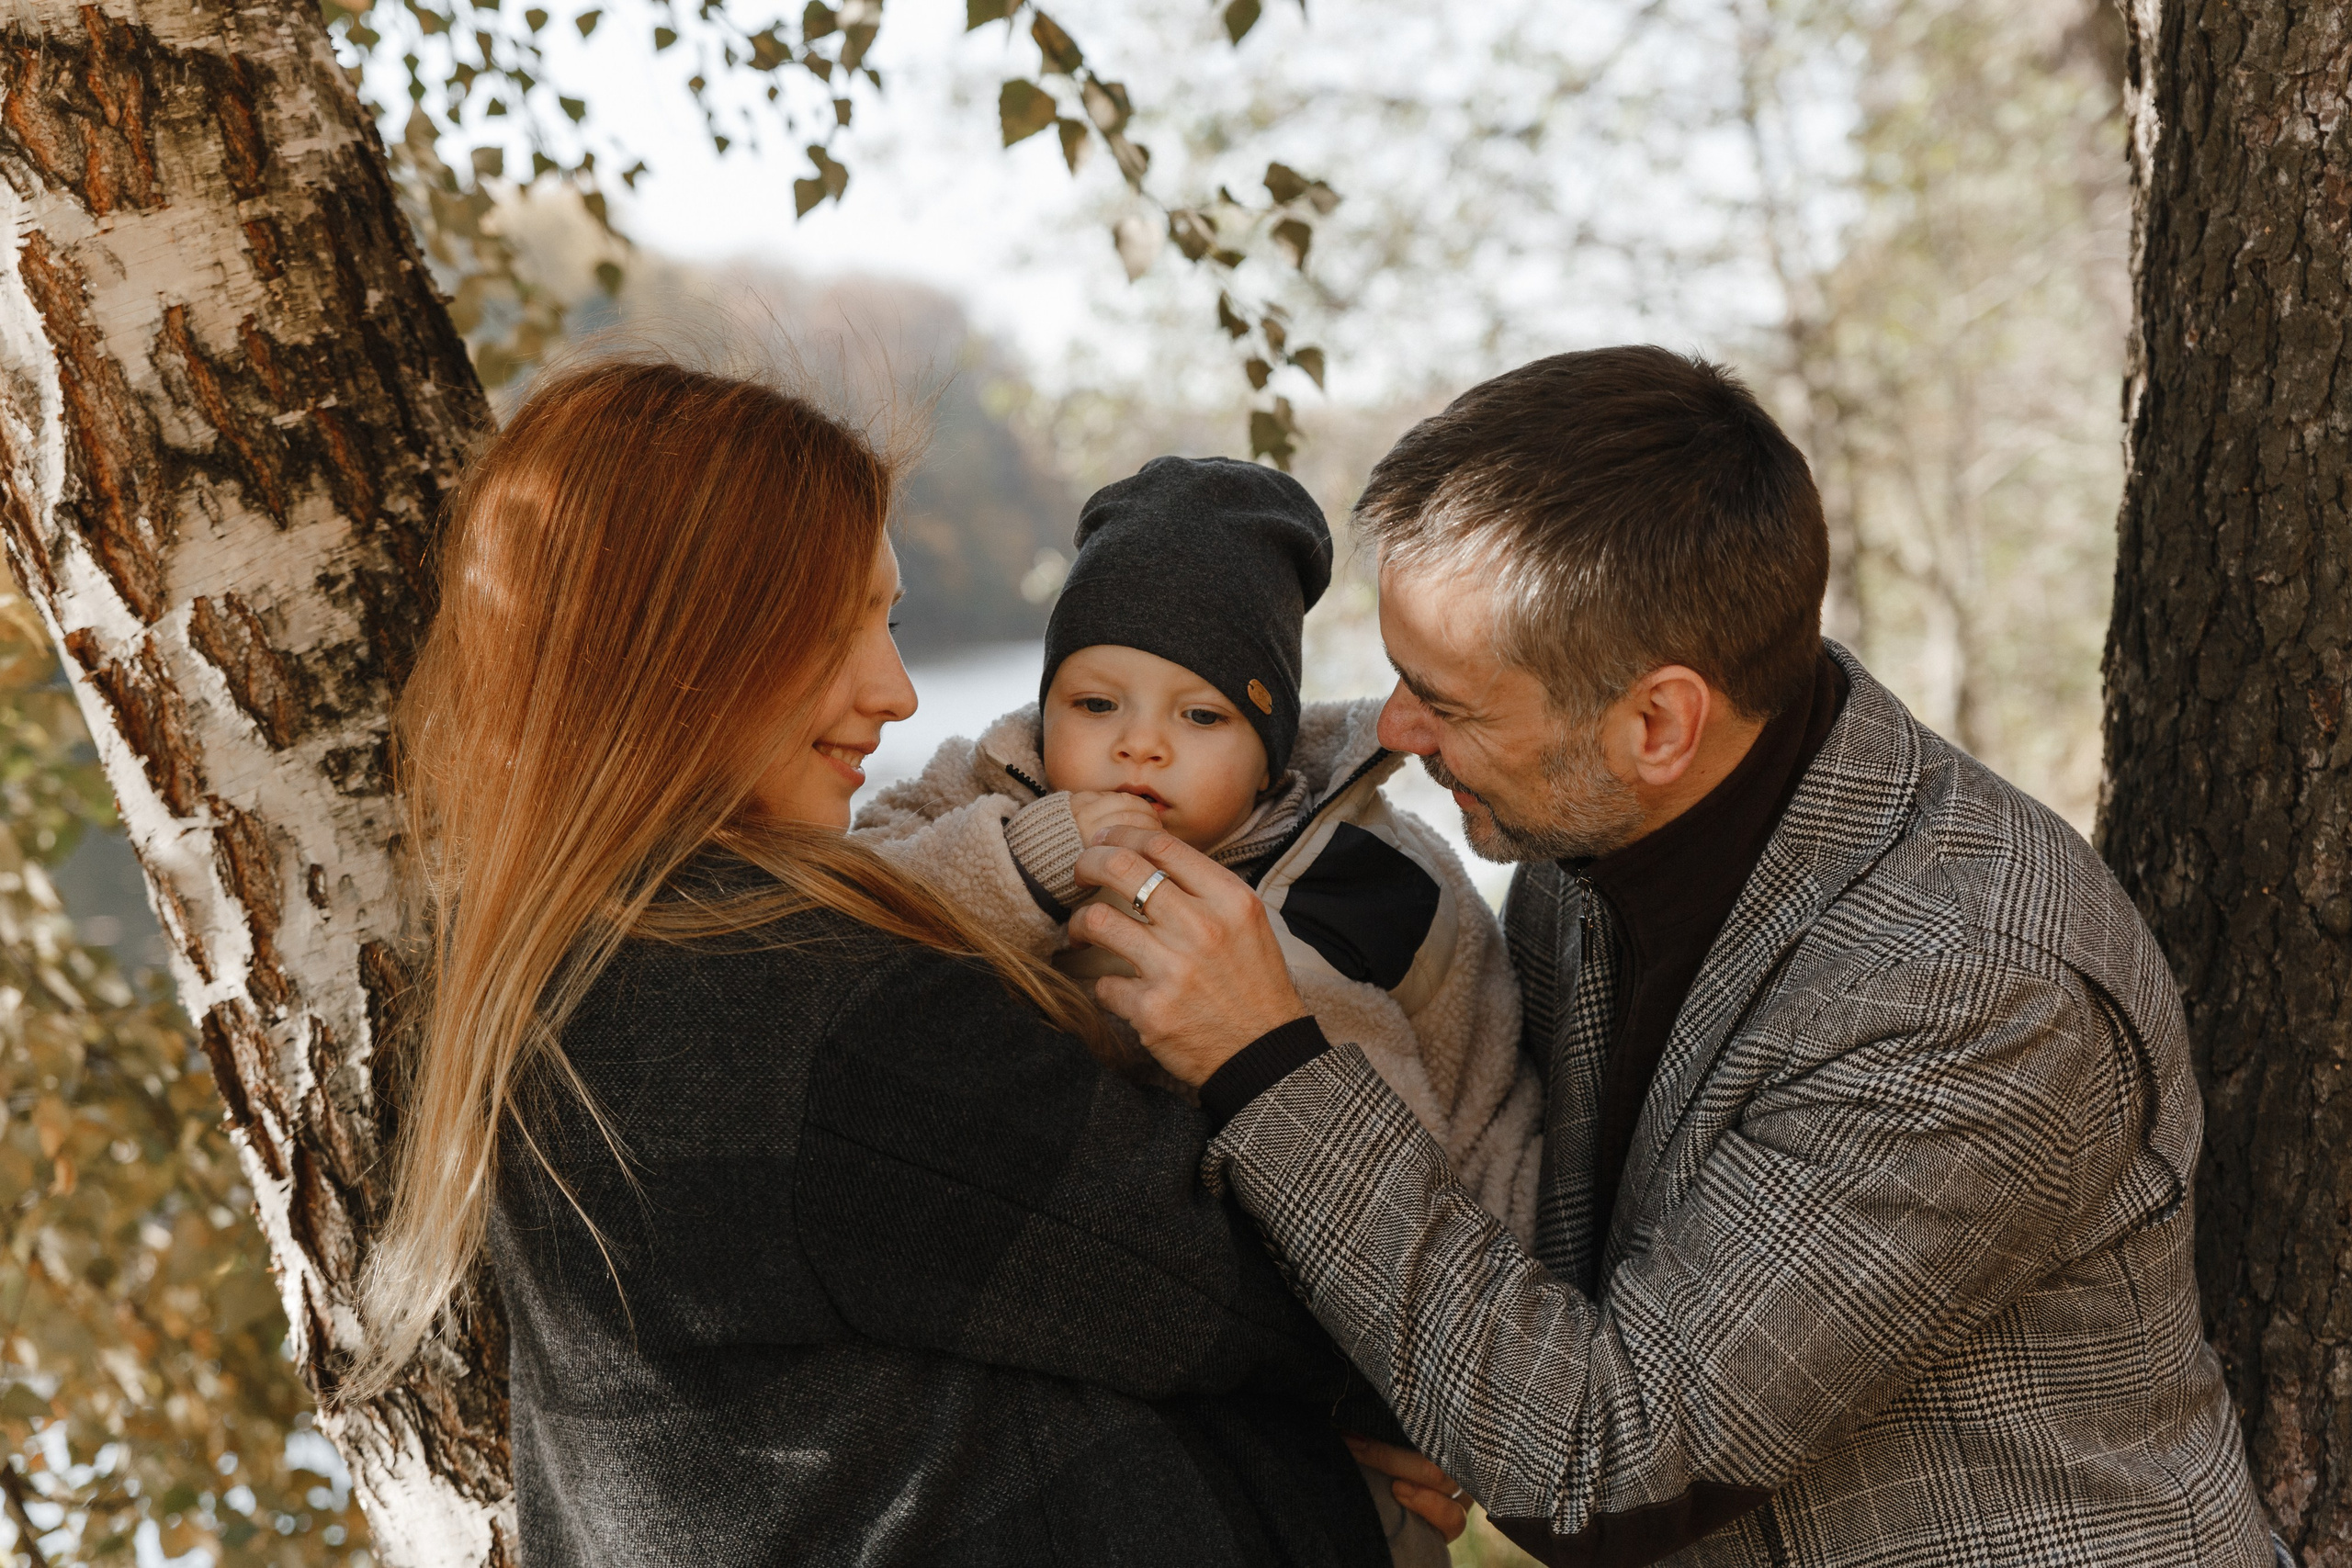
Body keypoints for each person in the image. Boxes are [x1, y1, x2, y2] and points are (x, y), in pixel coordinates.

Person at [1058, 347, 2278, 1566]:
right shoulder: (1590, 835)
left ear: (1657, 722)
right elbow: (1523, 1273)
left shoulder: (1969, 986)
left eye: (1450, 701)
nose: (1394, 728)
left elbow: (1603, 1464)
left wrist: (1271, 1060)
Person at [345, 359, 1417, 1567]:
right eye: (832, 624)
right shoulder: (798, 997)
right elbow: (1273, 1294)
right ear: (679, 642)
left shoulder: (584, 953)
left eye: (890, 622)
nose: (897, 693)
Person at [853, 456, 1543, 1242]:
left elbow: (1464, 1102)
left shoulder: (1380, 874)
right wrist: (1030, 859)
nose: (1139, 743)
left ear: (1269, 758)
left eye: (1202, 717)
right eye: (1096, 703)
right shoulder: (989, 784)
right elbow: (853, 898)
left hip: (1357, 1257)